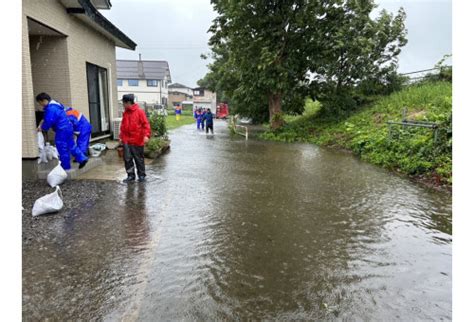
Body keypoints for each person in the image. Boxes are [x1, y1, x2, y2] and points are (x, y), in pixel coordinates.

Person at [36, 93, 88, 170]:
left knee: (62, 147)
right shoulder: (56, 105)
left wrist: (43, 128)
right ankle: (82, 158)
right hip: (68, 127)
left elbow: (48, 121)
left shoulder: (51, 109)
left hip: (61, 129)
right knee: (71, 145)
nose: (40, 105)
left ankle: (65, 167)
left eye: (40, 103)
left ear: (43, 100)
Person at [119, 94, 151, 183]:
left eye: (123, 103)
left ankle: (141, 176)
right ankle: (130, 176)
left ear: (128, 102)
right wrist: (121, 137)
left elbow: (146, 124)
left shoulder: (139, 112)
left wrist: (146, 135)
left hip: (137, 140)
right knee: (127, 159)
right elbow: (123, 126)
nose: (123, 105)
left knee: (139, 159)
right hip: (126, 140)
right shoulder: (125, 113)